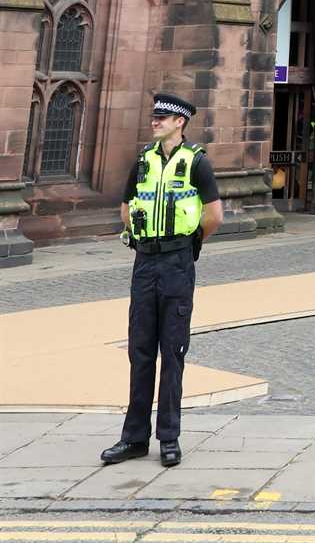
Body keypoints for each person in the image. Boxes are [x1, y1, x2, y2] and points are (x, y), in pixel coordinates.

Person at [99, 91, 223, 469]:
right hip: (145, 263)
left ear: (179, 122)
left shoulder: (196, 163)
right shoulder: (142, 162)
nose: (154, 122)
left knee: (172, 353)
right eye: (154, 117)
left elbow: (214, 215)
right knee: (140, 352)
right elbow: (125, 209)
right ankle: (134, 438)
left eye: (162, 118)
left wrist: (186, 245)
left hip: (177, 263)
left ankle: (168, 438)